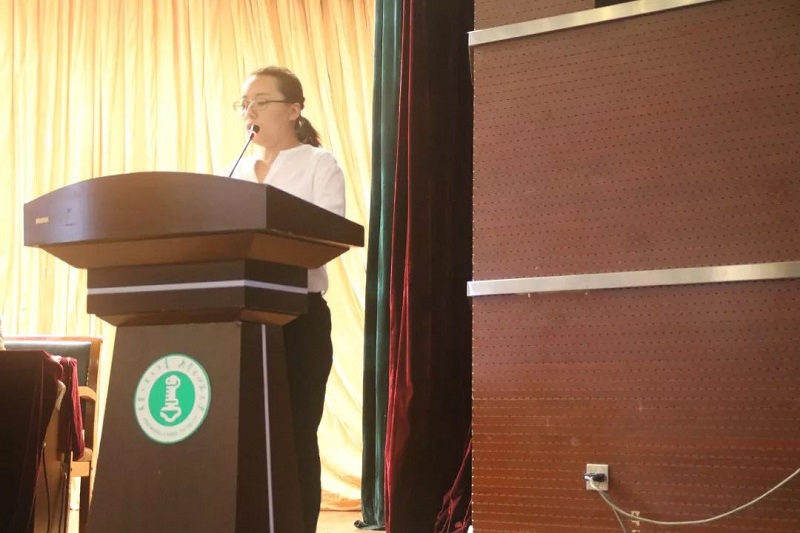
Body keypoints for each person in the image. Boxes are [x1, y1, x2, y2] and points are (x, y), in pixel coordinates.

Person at [228, 66, 345, 533]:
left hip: (299, 319)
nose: (249, 112)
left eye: (260, 102)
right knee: (244, 437)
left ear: (294, 110)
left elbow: (328, 238)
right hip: (240, 321)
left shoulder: (319, 165)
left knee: (294, 435)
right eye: (244, 104)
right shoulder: (234, 171)